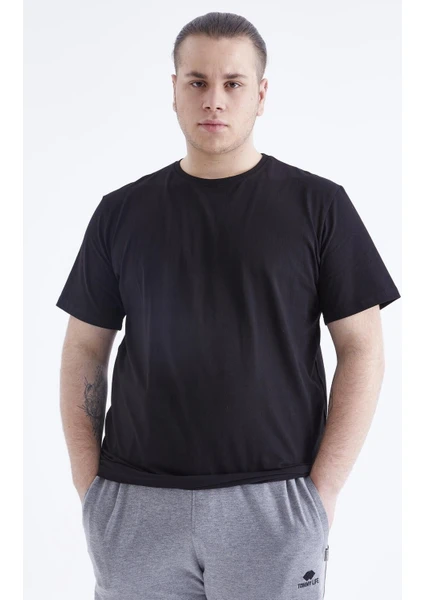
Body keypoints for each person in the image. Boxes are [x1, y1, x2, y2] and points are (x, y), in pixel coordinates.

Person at [56, 11, 401, 600]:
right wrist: (92, 491)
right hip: (135, 505)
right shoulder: (121, 213)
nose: (214, 99)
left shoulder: (319, 206)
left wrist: (321, 493)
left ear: (261, 95)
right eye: (197, 81)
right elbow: (85, 349)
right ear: (174, 90)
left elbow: (363, 348)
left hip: (274, 502)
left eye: (233, 83)